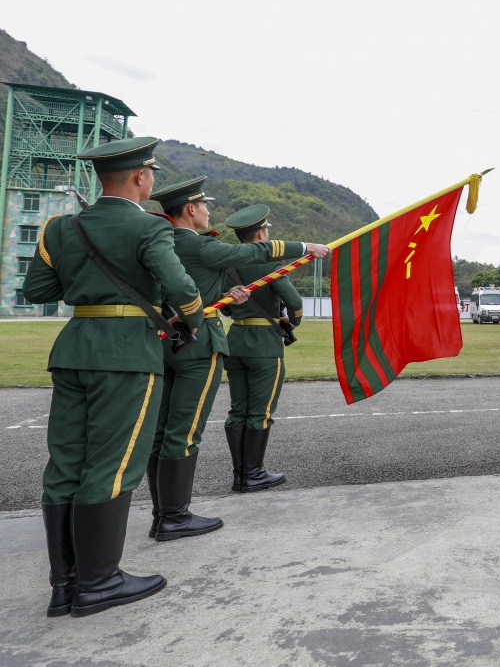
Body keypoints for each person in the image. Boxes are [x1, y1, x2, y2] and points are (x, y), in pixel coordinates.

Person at [22, 137, 205, 617]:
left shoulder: (60, 227)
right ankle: (100, 581)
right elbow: (182, 288)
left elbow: (37, 288)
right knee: (114, 460)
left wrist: (89, 287)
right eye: (152, 175)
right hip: (126, 352)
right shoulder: (148, 227)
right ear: (140, 177)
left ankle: (65, 585)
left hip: (74, 346)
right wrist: (194, 318)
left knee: (65, 463)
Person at [146, 177, 323, 543]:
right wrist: (306, 247)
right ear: (191, 209)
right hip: (202, 341)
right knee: (186, 428)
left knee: (162, 429)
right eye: (204, 205)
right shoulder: (199, 246)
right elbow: (256, 257)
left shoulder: (157, 244)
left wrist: (227, 294)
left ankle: (163, 511)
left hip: (164, 339)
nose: (209, 212)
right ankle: (176, 517)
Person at [221, 205, 304, 494]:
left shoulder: (228, 266)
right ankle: (253, 474)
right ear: (260, 233)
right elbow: (293, 302)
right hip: (264, 344)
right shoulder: (271, 263)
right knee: (260, 412)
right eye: (266, 230)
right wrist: (291, 324)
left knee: (237, 411)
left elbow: (228, 310)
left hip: (235, 342)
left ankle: (240, 475)